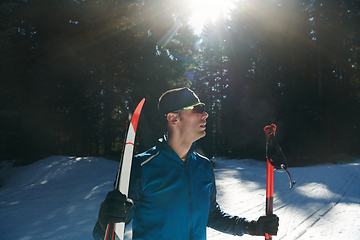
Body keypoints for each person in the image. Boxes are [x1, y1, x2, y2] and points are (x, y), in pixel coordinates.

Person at [93, 87, 279, 240]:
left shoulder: (204, 167)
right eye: (197, 109)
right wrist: (104, 225)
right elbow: (110, 231)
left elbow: (211, 215)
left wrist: (252, 227)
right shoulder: (142, 167)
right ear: (174, 118)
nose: (205, 114)